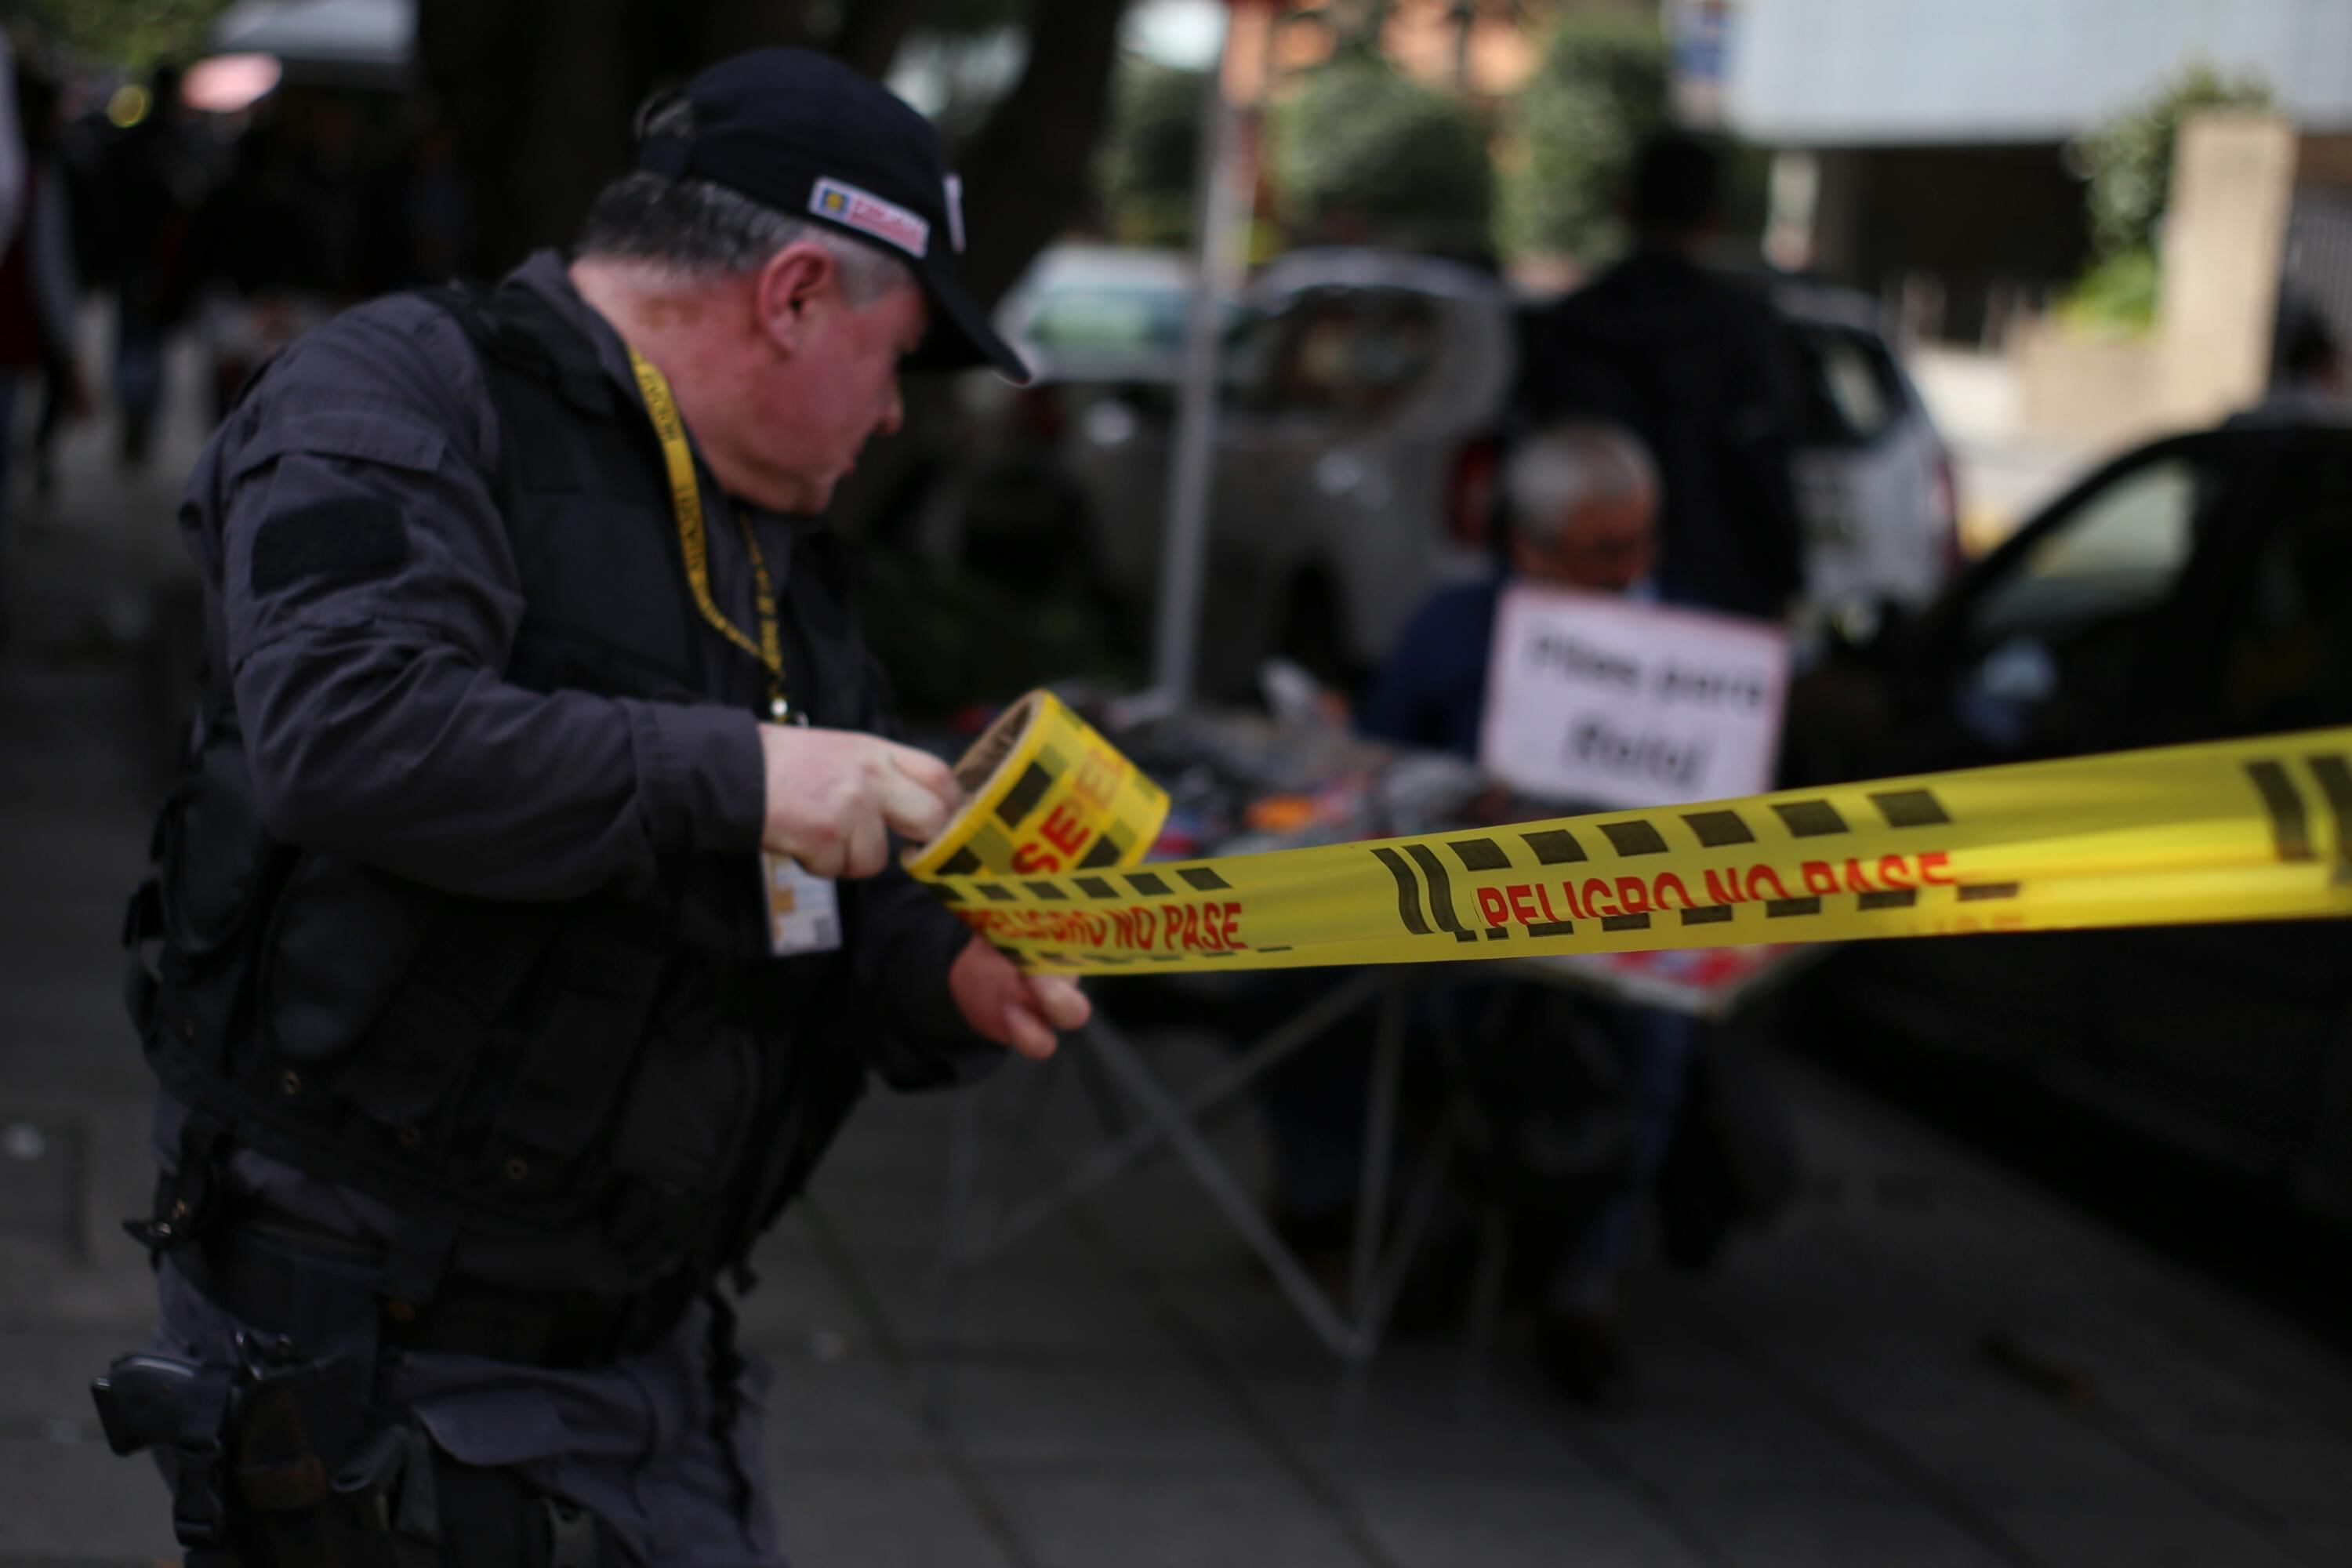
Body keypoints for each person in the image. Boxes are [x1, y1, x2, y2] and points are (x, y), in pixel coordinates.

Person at [98, 50, 1088, 1566]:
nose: (896, 417)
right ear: (799, 290)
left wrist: (949, 974)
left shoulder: (769, 532)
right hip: (386, 1362)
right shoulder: (402, 391)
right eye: (902, 357)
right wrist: (752, 770)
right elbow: (344, 733)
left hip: (648, 1364)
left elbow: (826, 865)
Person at [1359, 424, 1700, 1404]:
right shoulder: (1457, 625)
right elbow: (1382, 765)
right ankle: (1445, 1225)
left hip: (1636, 921)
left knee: (1654, 1042)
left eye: (1645, 542)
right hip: (1473, 915)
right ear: (1530, 551)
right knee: (1393, 1016)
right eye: (1608, 553)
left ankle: (1583, 1284)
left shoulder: (1691, 632)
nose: (1637, 569)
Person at [1517, 131, 1805, 621]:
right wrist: (1786, 578)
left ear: (1625, 209)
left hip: (1576, 600)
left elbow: (1527, 466)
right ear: (1712, 222)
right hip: (1716, 601)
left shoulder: (1565, 325)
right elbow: (1764, 473)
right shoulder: (1742, 331)